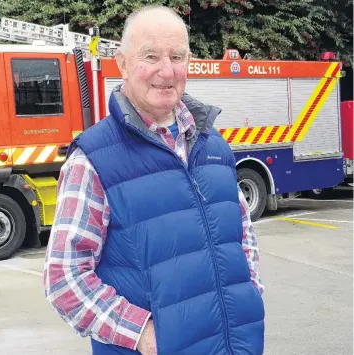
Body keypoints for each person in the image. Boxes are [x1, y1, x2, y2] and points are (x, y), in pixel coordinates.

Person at [43, 5, 265, 355]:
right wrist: (144, 335)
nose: (166, 70)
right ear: (123, 63)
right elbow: (64, 279)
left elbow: (242, 239)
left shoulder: (215, 147)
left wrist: (250, 297)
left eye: (177, 56)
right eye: (151, 56)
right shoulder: (93, 161)